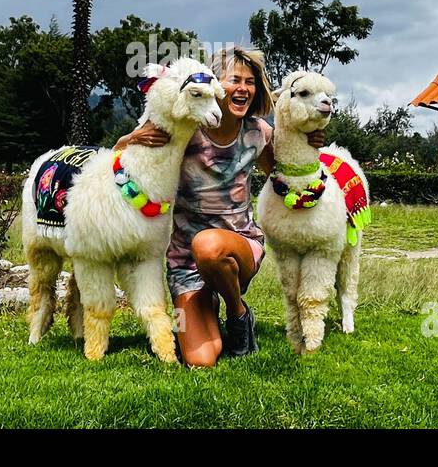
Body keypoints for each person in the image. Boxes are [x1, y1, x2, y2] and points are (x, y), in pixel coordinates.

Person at [115, 47, 324, 366]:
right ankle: (204, 307)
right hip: (185, 260)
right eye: (234, 79)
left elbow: (282, 172)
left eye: (250, 81)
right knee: (201, 359)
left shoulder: (258, 133)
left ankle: (238, 314)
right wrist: (131, 138)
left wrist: (309, 142)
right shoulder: (185, 130)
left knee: (209, 245)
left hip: (238, 249)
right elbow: (123, 160)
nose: (243, 88)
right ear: (215, 84)